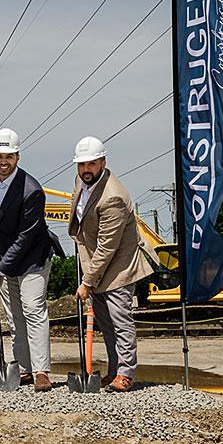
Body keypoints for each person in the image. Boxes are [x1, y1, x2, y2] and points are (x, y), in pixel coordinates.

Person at [0, 127, 59, 393]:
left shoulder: (31, 191)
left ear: (18, 157)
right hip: (6, 258)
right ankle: (23, 368)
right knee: (15, 317)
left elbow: (26, 236)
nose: (3, 162)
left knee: (33, 311)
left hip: (33, 257)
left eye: (9, 156)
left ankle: (41, 371)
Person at [68, 136, 153, 391]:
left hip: (119, 268)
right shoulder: (82, 183)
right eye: (82, 165)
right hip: (98, 267)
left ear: (103, 162)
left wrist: (86, 282)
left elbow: (107, 247)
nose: (86, 170)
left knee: (120, 320)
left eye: (91, 164)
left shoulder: (113, 197)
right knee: (105, 324)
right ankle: (114, 369)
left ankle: (126, 374)